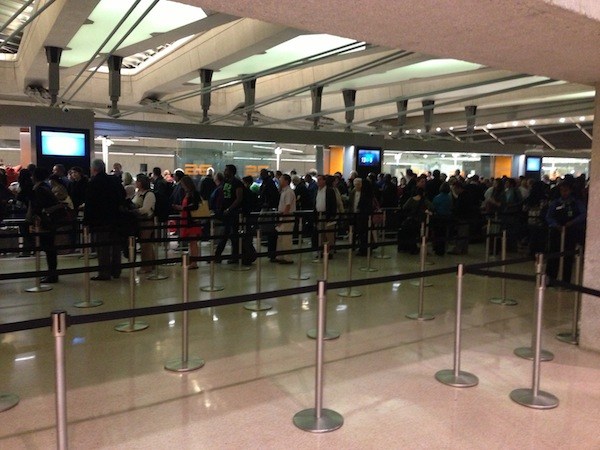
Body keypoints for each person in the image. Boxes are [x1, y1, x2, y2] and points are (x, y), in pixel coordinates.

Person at [84, 159, 126, 280]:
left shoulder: (94, 183)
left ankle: (104, 272)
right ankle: (116, 270)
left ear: (94, 169)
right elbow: (122, 196)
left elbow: (90, 203)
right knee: (116, 246)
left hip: (100, 221)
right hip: (116, 218)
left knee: (102, 248)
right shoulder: (114, 180)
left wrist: (87, 221)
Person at [545, 180, 586, 283]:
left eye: (566, 190)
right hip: (556, 232)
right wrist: (555, 224)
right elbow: (549, 216)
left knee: (568, 257)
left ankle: (565, 281)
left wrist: (572, 222)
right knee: (553, 256)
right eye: (562, 190)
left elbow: (583, 214)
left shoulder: (576, 203)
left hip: (571, 232)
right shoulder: (555, 203)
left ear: (570, 191)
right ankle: (551, 279)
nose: (564, 193)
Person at [28, 167, 60, 282]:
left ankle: (52, 274)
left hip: (45, 223)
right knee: (50, 249)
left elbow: (40, 206)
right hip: (49, 222)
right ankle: (52, 273)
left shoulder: (40, 189)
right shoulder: (46, 187)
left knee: (49, 249)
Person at [215, 164, 244, 263]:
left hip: (233, 213)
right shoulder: (225, 182)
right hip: (225, 213)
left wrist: (230, 208)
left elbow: (239, 198)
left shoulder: (237, 183)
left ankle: (234, 257)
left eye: (226, 170)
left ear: (231, 171)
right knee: (224, 235)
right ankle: (217, 256)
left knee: (232, 236)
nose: (224, 171)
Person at [172, 176, 201, 269]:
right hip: (187, 219)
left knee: (193, 242)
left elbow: (195, 206)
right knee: (191, 242)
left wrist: (183, 208)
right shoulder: (188, 193)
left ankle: (194, 262)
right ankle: (193, 260)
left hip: (191, 220)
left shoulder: (193, 193)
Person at [131, 173, 156, 274]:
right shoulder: (138, 193)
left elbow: (146, 209)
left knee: (145, 244)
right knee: (146, 244)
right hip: (140, 221)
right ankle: (151, 263)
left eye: (138, 181)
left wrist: (135, 211)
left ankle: (147, 266)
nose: (136, 182)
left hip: (147, 221)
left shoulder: (149, 194)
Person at [273, 174, 295, 264]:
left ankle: (288, 258)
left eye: (281, 179)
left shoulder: (289, 192)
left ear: (286, 181)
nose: (279, 181)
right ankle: (280, 256)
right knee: (280, 238)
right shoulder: (283, 191)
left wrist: (283, 218)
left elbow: (288, 206)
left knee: (286, 238)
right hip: (283, 216)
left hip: (287, 216)